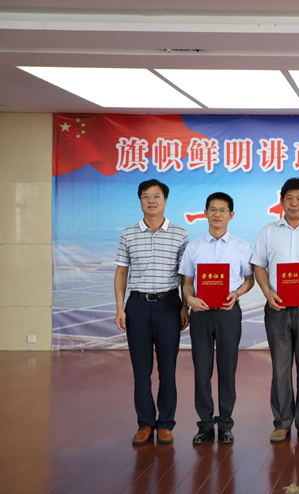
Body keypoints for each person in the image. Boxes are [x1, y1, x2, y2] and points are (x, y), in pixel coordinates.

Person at [251, 178, 299, 443]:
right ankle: (282, 422)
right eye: (289, 198)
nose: (294, 203)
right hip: (277, 306)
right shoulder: (268, 231)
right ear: (282, 201)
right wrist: (267, 292)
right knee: (280, 368)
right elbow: (259, 265)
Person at [114, 179, 189, 445]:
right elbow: (121, 272)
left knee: (168, 369)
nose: (151, 201)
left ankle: (165, 424)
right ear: (140, 201)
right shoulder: (128, 234)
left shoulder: (180, 234)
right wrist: (120, 308)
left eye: (157, 196)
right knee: (141, 369)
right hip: (136, 305)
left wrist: (185, 305)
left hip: (169, 305)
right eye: (146, 196)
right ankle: (145, 423)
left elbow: (186, 275)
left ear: (165, 201)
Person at [179, 192, 255, 444]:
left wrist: (236, 294)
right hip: (200, 313)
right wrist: (189, 299)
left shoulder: (242, 246)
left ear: (231, 215)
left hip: (228, 313)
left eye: (222, 210)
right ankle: (204, 424)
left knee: (227, 369)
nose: (217, 214)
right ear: (205, 213)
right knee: (201, 370)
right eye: (212, 209)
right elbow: (186, 282)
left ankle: (225, 424)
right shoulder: (194, 247)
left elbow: (249, 280)